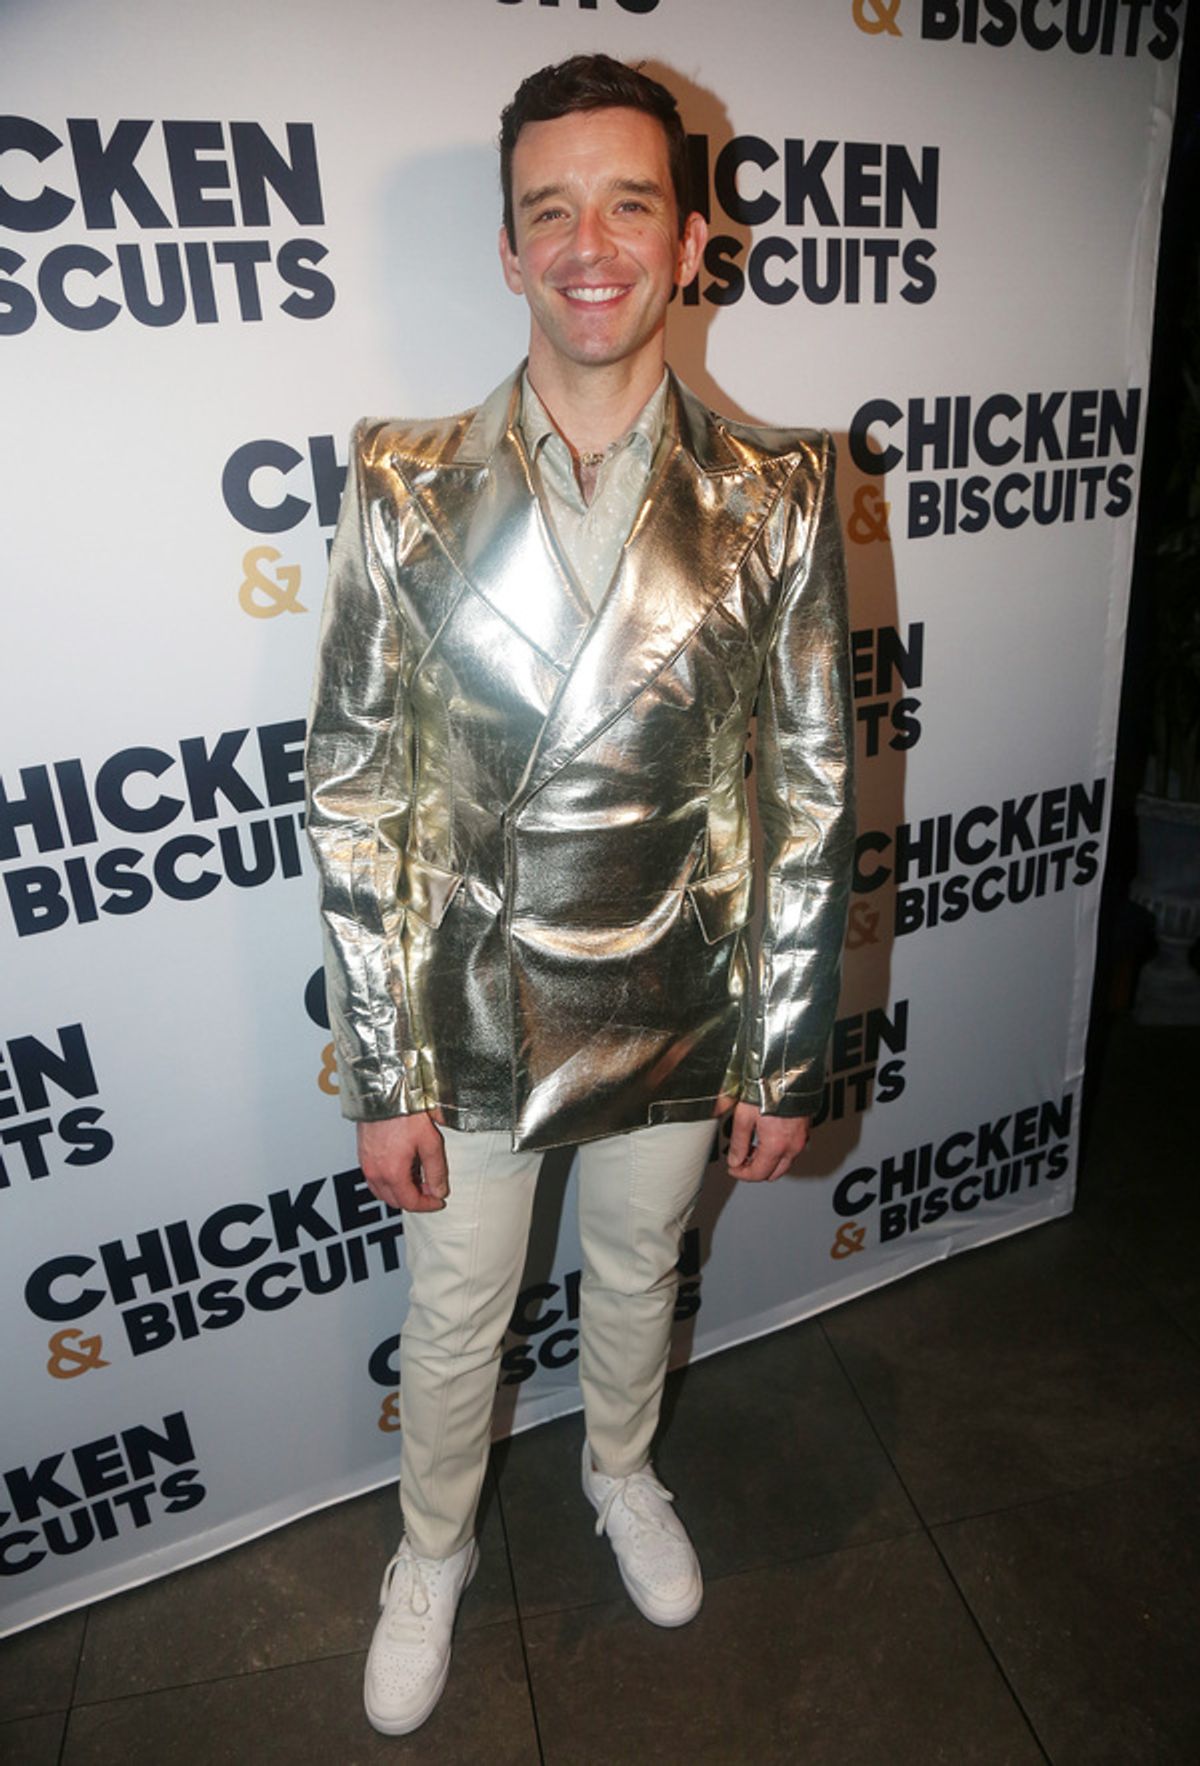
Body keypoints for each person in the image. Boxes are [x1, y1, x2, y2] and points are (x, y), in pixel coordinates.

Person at [305, 52, 855, 1737]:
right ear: (508, 247)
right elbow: (359, 792)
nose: (589, 244)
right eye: (550, 209)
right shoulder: (399, 479)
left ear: (691, 240)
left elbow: (808, 792)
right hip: (474, 1001)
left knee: (635, 1275)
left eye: (629, 203)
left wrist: (784, 1050)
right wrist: (384, 1068)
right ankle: (432, 1548)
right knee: (456, 1310)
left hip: (681, 992)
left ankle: (621, 1470)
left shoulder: (779, 491)